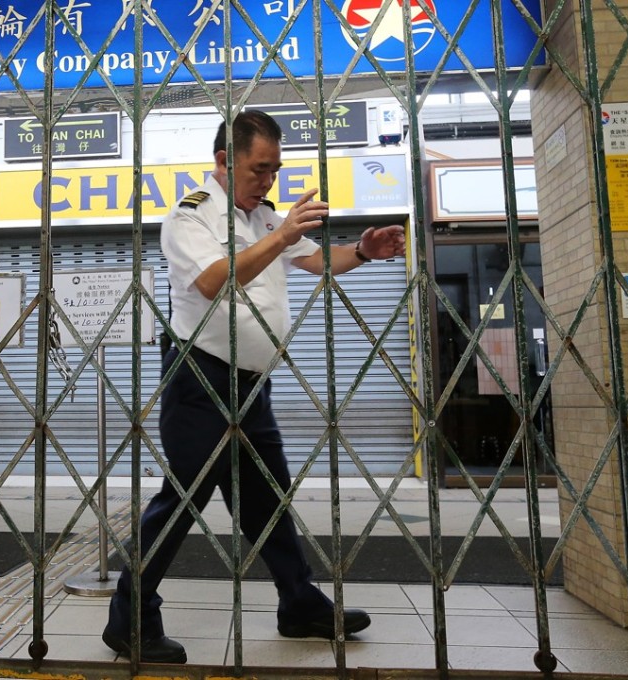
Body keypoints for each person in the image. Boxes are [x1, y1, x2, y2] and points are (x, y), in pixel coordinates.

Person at [102, 111, 406, 663]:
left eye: (274, 170)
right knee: (182, 500)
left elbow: (315, 261)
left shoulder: (264, 218)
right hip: (201, 377)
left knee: (268, 498)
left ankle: (299, 605)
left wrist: (362, 251)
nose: (268, 181)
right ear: (225, 160)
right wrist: (285, 231)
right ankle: (131, 618)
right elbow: (216, 279)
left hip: (251, 384)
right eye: (259, 169)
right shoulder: (190, 215)